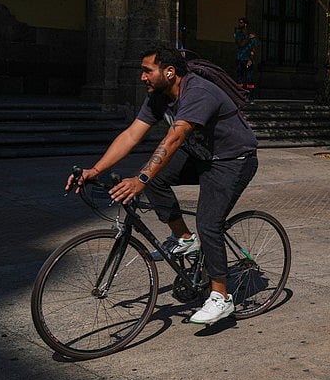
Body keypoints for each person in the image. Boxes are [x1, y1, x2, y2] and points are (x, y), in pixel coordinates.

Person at [66, 45, 259, 324]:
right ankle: (184, 239)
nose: (142, 77)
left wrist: (140, 179)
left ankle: (221, 296)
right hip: (200, 154)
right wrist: (94, 171)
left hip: (233, 160)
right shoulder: (158, 97)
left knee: (208, 223)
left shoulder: (198, 92)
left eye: (147, 71)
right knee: (155, 178)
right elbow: (131, 135)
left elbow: (174, 138)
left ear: (169, 72)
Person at [234, 17, 258, 99]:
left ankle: (250, 97)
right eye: (239, 22)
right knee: (239, 78)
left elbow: (253, 49)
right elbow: (240, 44)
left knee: (249, 79)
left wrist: (251, 59)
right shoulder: (238, 33)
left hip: (248, 59)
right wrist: (248, 37)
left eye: (241, 23)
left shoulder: (252, 36)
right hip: (240, 58)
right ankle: (239, 96)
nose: (239, 24)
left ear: (245, 24)